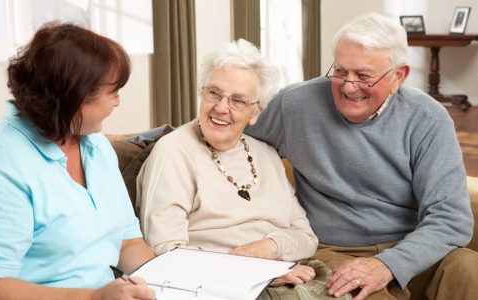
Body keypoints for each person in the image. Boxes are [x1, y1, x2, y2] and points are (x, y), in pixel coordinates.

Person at [245, 13, 478, 300]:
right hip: (333, 250)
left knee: (468, 267)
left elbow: (451, 219)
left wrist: (388, 264)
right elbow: (227, 132)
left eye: (363, 76)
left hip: (411, 246)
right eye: (340, 71)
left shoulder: (429, 119)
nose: (348, 86)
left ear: (399, 76)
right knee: (362, 292)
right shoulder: (295, 104)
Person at [136, 39, 341, 299]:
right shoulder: (173, 152)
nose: (221, 107)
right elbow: (165, 249)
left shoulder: (266, 155)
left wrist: (271, 248)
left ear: (256, 113)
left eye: (238, 101)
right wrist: (249, 271)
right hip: (212, 283)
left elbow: (306, 237)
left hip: (277, 270)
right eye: (213, 93)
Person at [0, 22, 155, 300]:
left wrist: (173, 282)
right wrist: (93, 298)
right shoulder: (2, 165)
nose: (117, 103)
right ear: (73, 98)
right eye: (112, 92)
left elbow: (128, 244)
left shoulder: (96, 145)